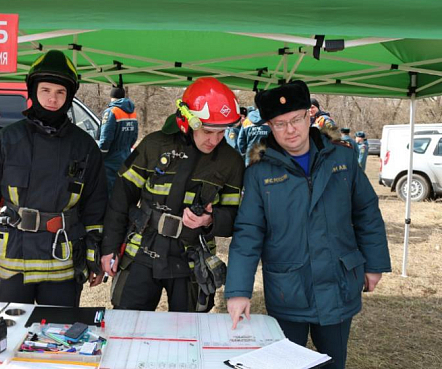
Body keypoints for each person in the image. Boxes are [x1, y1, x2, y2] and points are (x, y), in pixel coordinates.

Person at [225, 80, 391, 369]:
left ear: (309, 116)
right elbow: (249, 233)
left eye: (296, 120)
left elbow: (366, 212)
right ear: (270, 127)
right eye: (279, 124)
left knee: (334, 362)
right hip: (288, 288)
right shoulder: (259, 173)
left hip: (339, 284)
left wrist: (374, 264)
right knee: (286, 363)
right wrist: (238, 291)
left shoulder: (343, 158)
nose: (290, 130)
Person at [0, 50, 108, 306]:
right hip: (11, 262)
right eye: (46, 90)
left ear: (69, 96)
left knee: (58, 336)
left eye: (60, 92)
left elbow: (96, 205)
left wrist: (93, 254)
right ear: (33, 91)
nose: (53, 98)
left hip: (61, 261)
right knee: (10, 335)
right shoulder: (7, 140)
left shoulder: (84, 146)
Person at [101, 77, 245, 313]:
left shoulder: (231, 162)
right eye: (208, 131)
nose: (215, 140)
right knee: (127, 323)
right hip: (142, 251)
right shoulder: (153, 145)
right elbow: (120, 199)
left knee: (190, 333)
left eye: (222, 133)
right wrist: (109, 247)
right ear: (186, 121)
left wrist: (211, 219)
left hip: (191, 260)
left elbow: (236, 216)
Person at [98, 86, 138, 197]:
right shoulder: (132, 113)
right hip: (126, 156)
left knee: (108, 192)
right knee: (121, 191)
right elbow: (134, 137)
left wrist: (100, 156)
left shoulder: (111, 112)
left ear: (112, 97)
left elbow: (105, 139)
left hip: (111, 159)